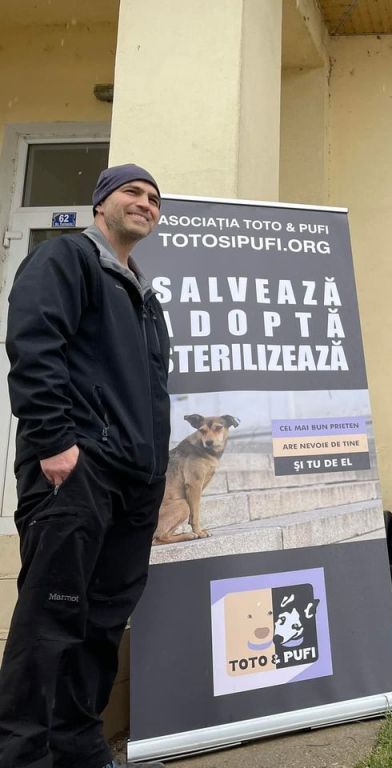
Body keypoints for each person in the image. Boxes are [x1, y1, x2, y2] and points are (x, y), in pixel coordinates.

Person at [0, 164, 171, 768]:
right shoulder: (67, 259)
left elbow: (148, 393)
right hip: (78, 471)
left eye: (154, 199)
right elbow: (34, 343)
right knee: (52, 618)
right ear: (101, 204)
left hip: (134, 483)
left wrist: (155, 474)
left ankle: (78, 747)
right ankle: (22, 757)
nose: (145, 203)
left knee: (101, 624)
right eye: (132, 192)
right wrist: (54, 440)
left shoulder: (144, 296)